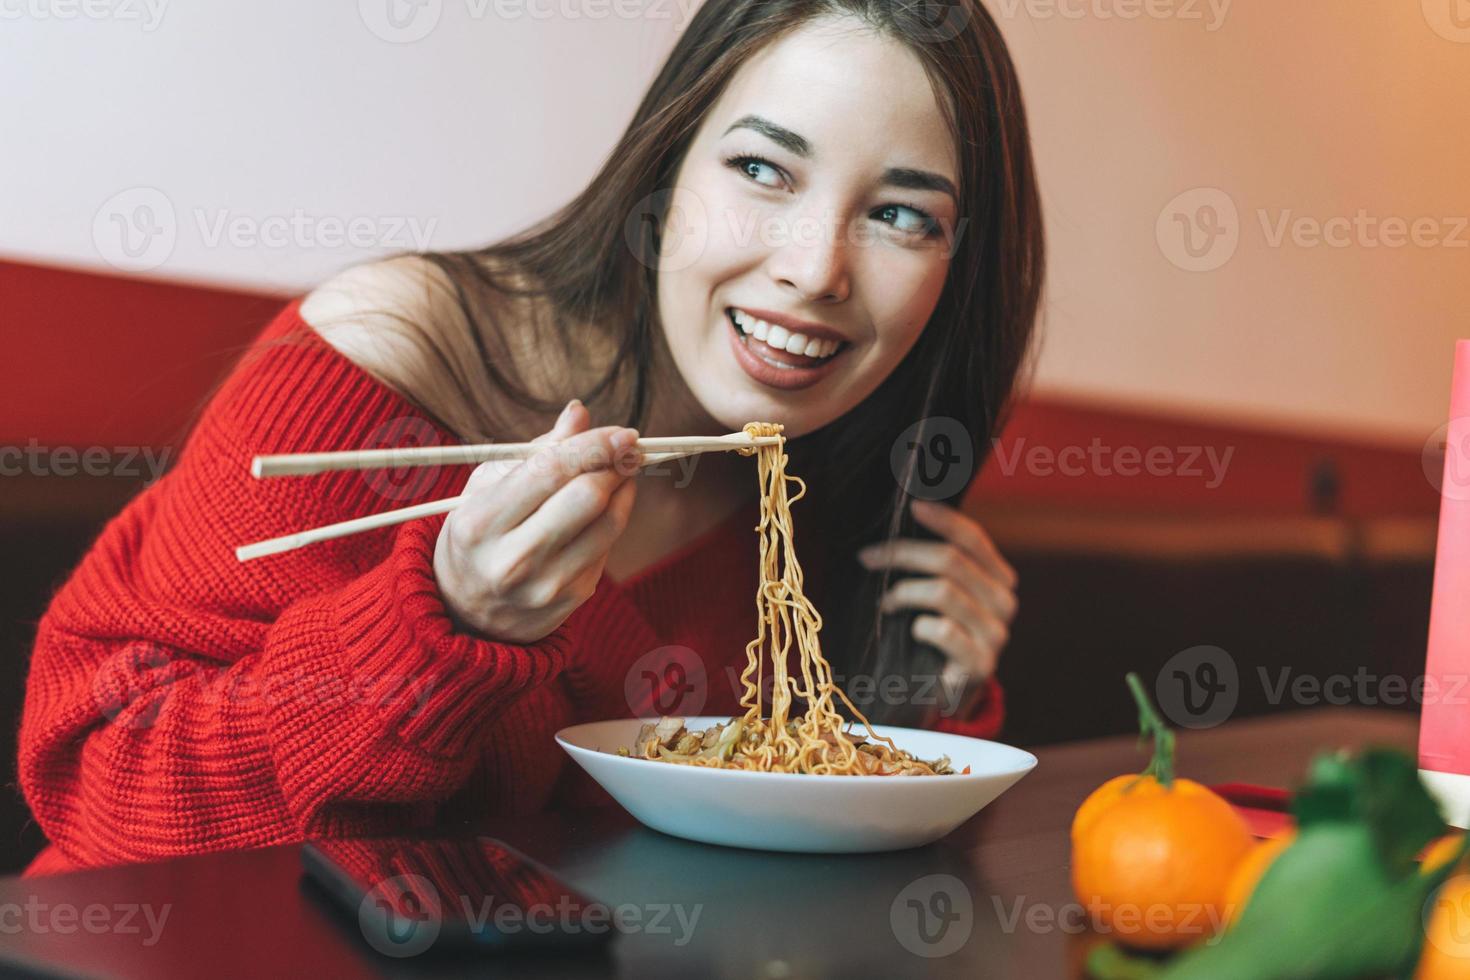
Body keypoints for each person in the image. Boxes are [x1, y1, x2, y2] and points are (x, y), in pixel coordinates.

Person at [19, 0, 1043, 873]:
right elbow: (109, 803)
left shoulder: (826, 492)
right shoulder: (394, 354)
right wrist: (445, 624)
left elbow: (771, 888)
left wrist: (920, 690)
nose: (817, 269)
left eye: (905, 217)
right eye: (765, 170)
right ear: (668, 161)